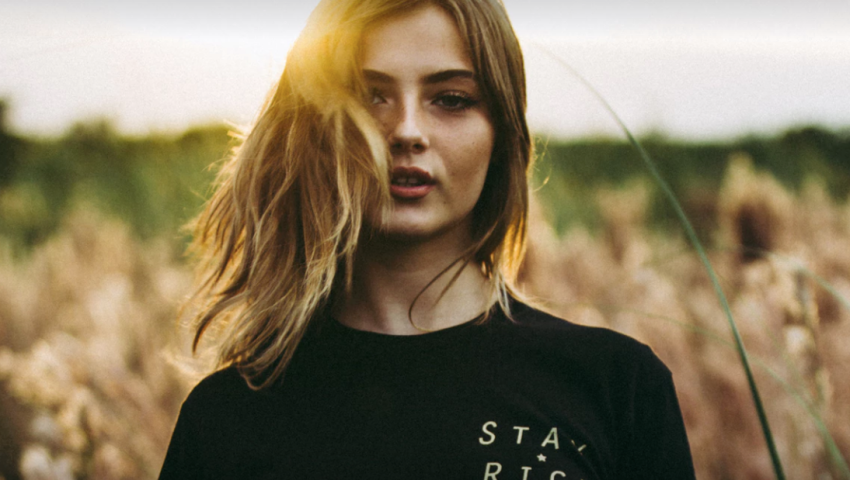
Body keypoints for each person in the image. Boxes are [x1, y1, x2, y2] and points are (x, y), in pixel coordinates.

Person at [159, 0, 696, 478]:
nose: (408, 131)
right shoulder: (227, 419)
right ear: (314, 129)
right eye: (371, 96)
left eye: (452, 98)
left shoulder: (615, 388)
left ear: (503, 132)